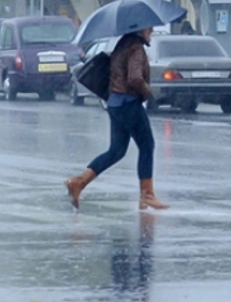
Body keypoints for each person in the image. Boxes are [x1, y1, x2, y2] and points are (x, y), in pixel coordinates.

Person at [64, 27, 169, 211]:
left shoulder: (123, 43)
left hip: (115, 103)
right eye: (148, 28)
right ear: (140, 29)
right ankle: (147, 195)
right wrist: (147, 93)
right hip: (129, 103)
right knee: (147, 145)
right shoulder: (136, 47)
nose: (151, 30)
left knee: (116, 151)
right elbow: (135, 78)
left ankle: (79, 183)